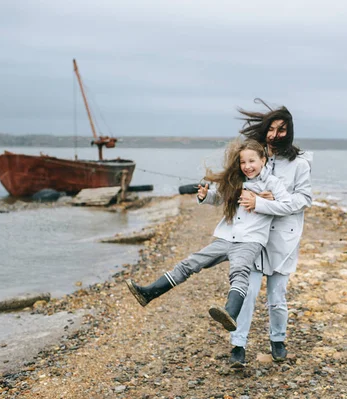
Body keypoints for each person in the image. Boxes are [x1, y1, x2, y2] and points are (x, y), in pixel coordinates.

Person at [126, 139, 292, 332]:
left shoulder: (272, 183)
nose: (247, 166)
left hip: (250, 240)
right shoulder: (236, 180)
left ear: (263, 159)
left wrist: (259, 203)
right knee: (190, 263)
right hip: (226, 237)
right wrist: (205, 196)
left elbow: (288, 206)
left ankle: (230, 313)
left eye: (252, 161)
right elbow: (220, 197)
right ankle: (149, 293)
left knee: (239, 272)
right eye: (243, 162)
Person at [228, 101, 312, 367]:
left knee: (277, 297)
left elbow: (303, 200)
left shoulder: (299, 164)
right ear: (265, 131)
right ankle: (237, 346)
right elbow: (235, 187)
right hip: (253, 235)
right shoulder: (254, 158)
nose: (276, 135)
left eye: (282, 129)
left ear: (290, 132)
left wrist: (268, 200)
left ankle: (278, 340)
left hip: (283, 238)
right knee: (248, 293)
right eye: (272, 129)